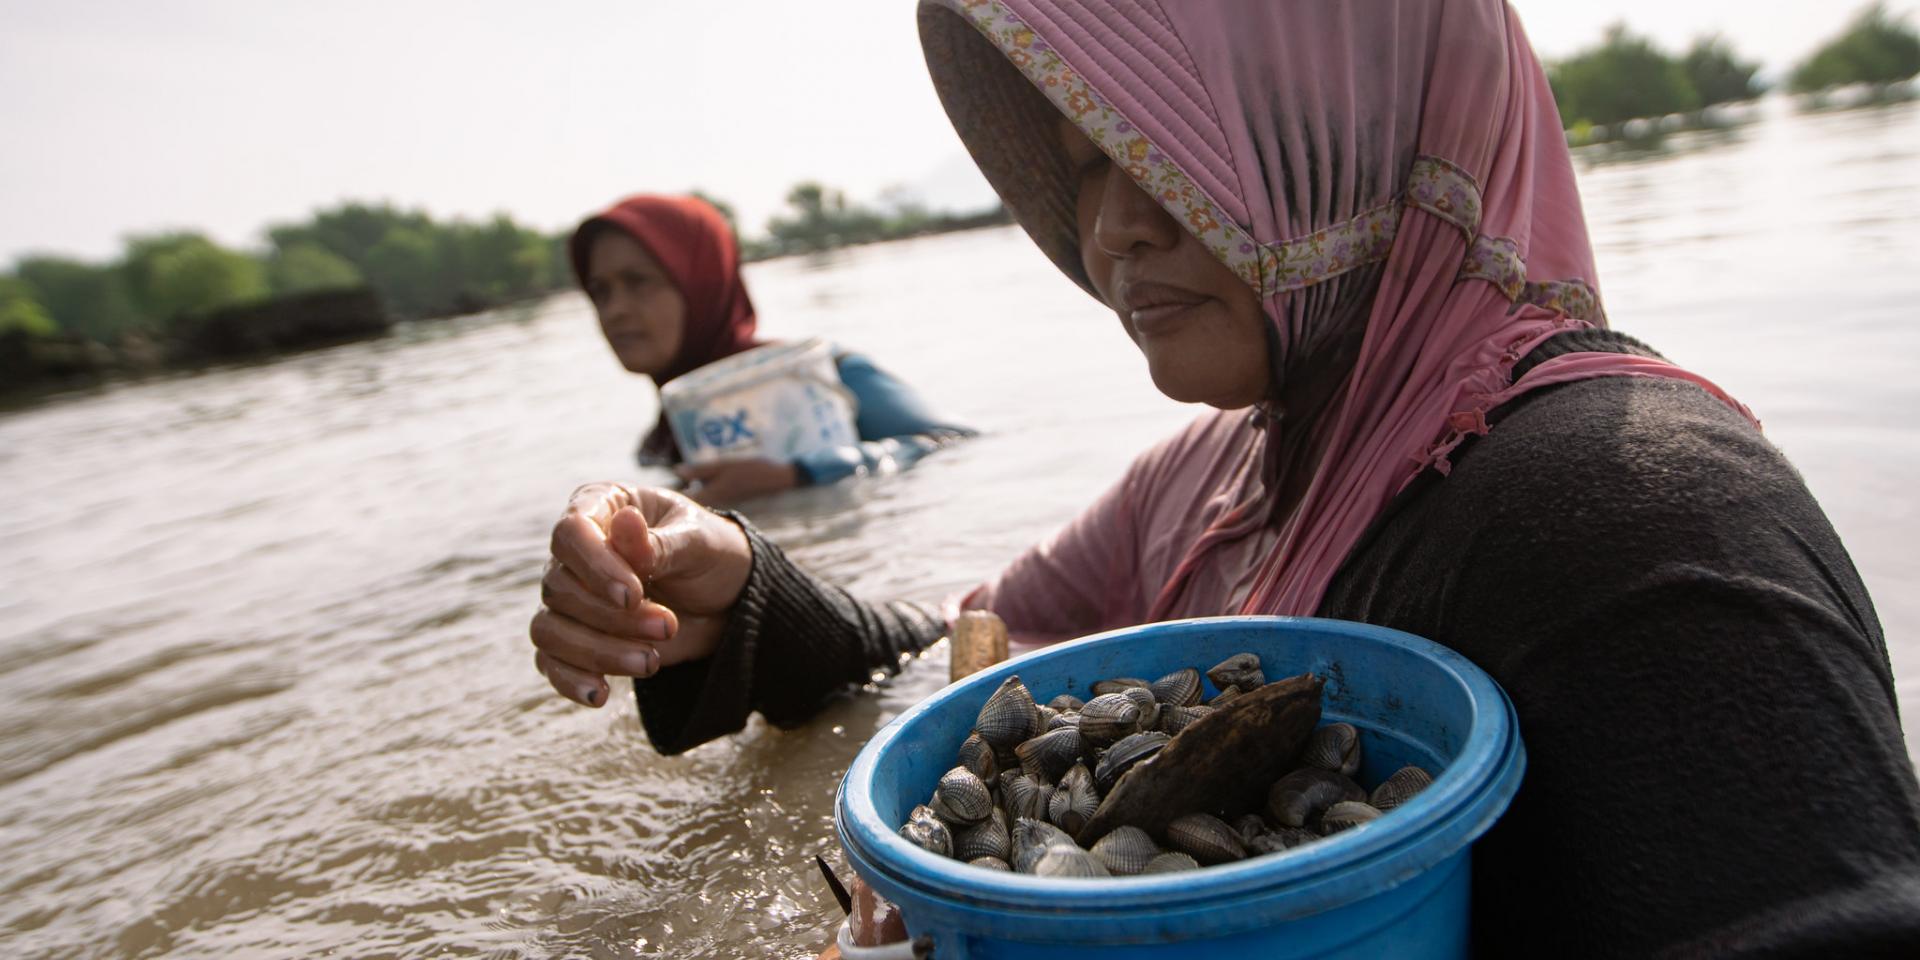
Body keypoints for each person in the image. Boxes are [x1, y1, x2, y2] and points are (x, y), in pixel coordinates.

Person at [530, 2, 1920, 956]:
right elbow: (974, 674)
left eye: (1162, 147)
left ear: (1352, 111)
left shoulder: (1630, 520)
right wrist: (745, 593)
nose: (1111, 232)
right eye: (1083, 161)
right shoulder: (1209, 479)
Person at [570, 194, 972, 505]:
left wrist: (796, 475)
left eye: (638, 281)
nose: (615, 310)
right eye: (600, 291)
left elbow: (955, 441)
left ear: (703, 285)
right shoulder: (662, 444)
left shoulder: (818, 373)